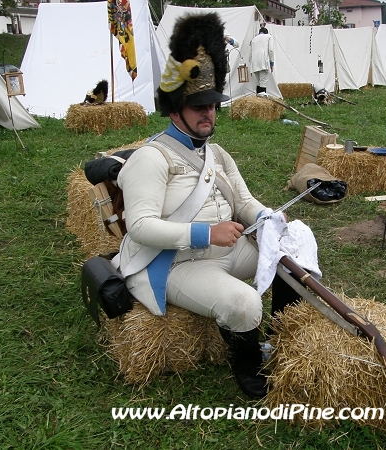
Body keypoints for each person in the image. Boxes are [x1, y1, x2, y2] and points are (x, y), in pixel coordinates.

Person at [116, 13, 300, 399]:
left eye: (212, 104)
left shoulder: (217, 153)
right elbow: (141, 227)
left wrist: (267, 218)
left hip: (227, 251)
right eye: (198, 105)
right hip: (177, 263)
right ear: (174, 109)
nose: (208, 113)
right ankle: (249, 368)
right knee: (244, 302)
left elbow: (245, 201)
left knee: (292, 260)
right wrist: (206, 232)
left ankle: (283, 341)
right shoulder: (151, 159)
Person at [249, 26, 274, 96]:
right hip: (263, 61)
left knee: (258, 82)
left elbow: (251, 53)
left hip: (254, 63)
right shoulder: (268, 37)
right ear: (266, 33)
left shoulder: (254, 39)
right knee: (263, 82)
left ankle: (258, 100)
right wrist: (272, 63)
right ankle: (262, 101)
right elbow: (271, 50)